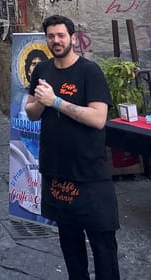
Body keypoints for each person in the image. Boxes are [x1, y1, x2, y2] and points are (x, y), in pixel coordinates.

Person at [25, 14, 119, 280]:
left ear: (73, 38)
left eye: (61, 35)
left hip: (89, 174)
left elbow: (98, 118)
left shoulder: (90, 72)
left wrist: (56, 102)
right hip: (57, 173)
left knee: (104, 248)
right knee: (70, 247)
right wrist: (41, 103)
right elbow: (31, 112)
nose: (56, 40)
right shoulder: (41, 71)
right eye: (51, 36)